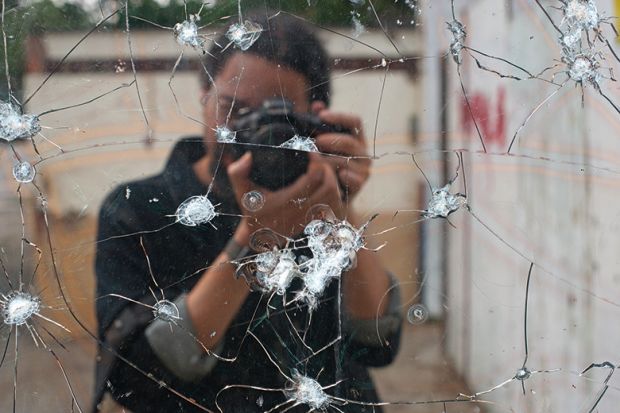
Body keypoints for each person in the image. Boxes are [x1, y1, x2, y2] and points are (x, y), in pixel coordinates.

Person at [93, 11, 402, 413]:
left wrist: (342, 210)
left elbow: (377, 343)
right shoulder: (138, 209)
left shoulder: (317, 209)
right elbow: (134, 377)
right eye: (234, 110)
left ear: (314, 117)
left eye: (275, 120)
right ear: (204, 94)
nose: (247, 134)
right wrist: (256, 239)